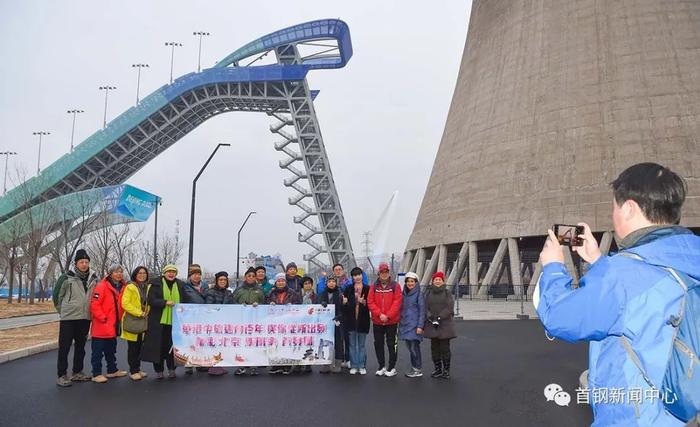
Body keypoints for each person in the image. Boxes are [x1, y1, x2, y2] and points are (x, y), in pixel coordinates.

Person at [537, 163, 700, 426]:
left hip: (635, 418)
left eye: (614, 207)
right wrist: (599, 262)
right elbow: (641, 300)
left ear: (629, 208)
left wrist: (554, 267)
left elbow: (559, 315)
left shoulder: (621, 275)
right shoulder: (688, 258)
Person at [53, 249, 99, 387]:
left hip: (85, 318)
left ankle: (77, 372)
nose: (84, 264)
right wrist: (63, 311)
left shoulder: (94, 278)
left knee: (81, 347)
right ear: (76, 263)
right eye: (81, 262)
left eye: (86, 262)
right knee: (64, 347)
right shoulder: (67, 277)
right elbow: (57, 296)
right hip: (69, 318)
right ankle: (62, 375)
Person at [142, 264, 185, 380]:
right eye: (168, 271)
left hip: (175, 322)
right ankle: (159, 370)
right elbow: (151, 300)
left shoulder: (180, 285)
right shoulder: (155, 284)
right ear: (164, 273)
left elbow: (185, 300)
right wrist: (164, 302)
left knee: (172, 347)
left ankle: (172, 369)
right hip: (158, 321)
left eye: (173, 272)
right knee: (158, 347)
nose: (171, 274)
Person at [89, 265, 128, 383]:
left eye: (121, 272)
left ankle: (112, 370)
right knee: (97, 352)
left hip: (113, 325)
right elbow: (94, 304)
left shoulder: (123, 287)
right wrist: (103, 318)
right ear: (110, 273)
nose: (119, 274)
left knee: (111, 350)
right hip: (102, 325)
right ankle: (96, 374)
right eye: (116, 272)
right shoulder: (101, 286)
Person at [367, 262, 403, 377]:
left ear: (389, 272)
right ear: (378, 273)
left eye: (386, 272)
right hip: (378, 321)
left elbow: (397, 302)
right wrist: (379, 314)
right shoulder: (373, 287)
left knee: (391, 344)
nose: (384, 274)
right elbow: (370, 302)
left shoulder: (395, 286)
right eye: (382, 272)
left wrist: (387, 315)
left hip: (392, 321)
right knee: (378, 344)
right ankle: (381, 366)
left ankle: (392, 367)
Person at [231, 267, 265, 376]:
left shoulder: (259, 290)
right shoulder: (239, 290)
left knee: (254, 343)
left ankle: (254, 365)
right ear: (245, 277)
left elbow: (265, 303)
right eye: (249, 276)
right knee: (242, 343)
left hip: (255, 321)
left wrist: (258, 306)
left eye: (253, 276)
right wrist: (240, 307)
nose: (251, 278)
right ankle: (242, 366)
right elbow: (232, 302)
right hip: (241, 321)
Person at [423, 271, 456, 379]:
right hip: (432, 324)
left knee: (445, 348)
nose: (437, 281)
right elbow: (425, 307)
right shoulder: (428, 293)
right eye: (435, 280)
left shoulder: (447, 293)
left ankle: (446, 370)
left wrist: (439, 317)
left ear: (443, 281)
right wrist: (431, 317)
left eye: (439, 280)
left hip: (444, 324)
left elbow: (449, 307)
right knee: (434, 348)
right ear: (433, 281)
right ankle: (437, 369)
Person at [267, 273, 301, 375]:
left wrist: (292, 306)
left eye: (282, 281)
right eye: (278, 281)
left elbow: (299, 304)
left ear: (285, 282)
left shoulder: (292, 292)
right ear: (276, 282)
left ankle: (287, 364)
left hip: (288, 322)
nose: (280, 283)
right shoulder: (271, 293)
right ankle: (276, 365)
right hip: (275, 323)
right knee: (275, 343)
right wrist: (270, 304)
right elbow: (266, 303)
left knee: (286, 343)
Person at [120, 266, 150, 381]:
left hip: (142, 321)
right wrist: (139, 313)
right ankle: (133, 371)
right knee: (133, 347)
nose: (142, 275)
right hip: (133, 320)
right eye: (139, 273)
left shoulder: (146, 287)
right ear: (135, 274)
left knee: (139, 347)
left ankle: (137, 369)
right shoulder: (130, 287)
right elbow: (125, 303)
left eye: (144, 273)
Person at [205, 271, 233, 376]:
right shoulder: (211, 292)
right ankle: (213, 366)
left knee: (221, 344)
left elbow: (234, 305)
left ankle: (219, 365)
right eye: (221, 280)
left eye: (225, 280)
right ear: (216, 281)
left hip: (224, 322)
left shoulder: (228, 293)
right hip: (213, 322)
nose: (223, 281)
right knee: (213, 344)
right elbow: (208, 307)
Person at [343, 267, 370, 375]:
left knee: (362, 345)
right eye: (355, 275)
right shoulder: (348, 288)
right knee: (352, 345)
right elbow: (344, 306)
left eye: (359, 274)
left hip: (363, 320)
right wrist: (346, 303)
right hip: (351, 320)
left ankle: (362, 366)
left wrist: (363, 302)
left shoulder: (368, 288)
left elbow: (371, 304)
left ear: (362, 275)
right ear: (352, 277)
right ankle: (354, 365)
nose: (357, 277)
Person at [399, 271, 426, 378]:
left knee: (414, 348)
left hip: (414, 326)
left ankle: (417, 369)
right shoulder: (404, 294)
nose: (410, 283)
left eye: (412, 281)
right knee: (410, 348)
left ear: (416, 282)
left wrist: (420, 326)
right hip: (406, 325)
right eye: (408, 281)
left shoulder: (419, 294)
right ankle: (415, 367)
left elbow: (422, 311)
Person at [319, 277, 344, 374]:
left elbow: (343, 307)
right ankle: (326, 363)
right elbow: (317, 304)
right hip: (325, 322)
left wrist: (339, 315)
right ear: (326, 283)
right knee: (325, 342)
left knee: (338, 342)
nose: (331, 283)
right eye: (329, 281)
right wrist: (322, 303)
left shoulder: (340, 294)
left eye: (333, 281)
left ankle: (338, 363)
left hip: (337, 321)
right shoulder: (322, 294)